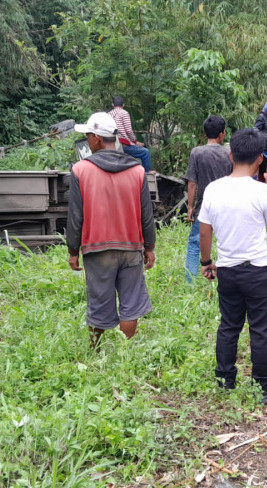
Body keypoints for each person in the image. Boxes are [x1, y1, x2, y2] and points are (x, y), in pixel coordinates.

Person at [198, 128, 267, 404]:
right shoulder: (261, 191)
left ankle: (225, 379)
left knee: (229, 325)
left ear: (230, 155)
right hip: (258, 270)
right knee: (260, 328)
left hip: (227, 269)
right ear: (260, 159)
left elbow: (205, 231)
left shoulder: (214, 189)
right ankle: (264, 386)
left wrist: (206, 262)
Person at [67, 112, 156, 349]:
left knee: (99, 303)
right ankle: (125, 353)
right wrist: (150, 247)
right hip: (131, 247)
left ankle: (94, 351)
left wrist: (73, 250)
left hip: (97, 249)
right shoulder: (137, 171)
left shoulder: (80, 170)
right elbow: (146, 215)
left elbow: (76, 216)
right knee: (131, 303)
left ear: (96, 138)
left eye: (88, 135)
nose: (87, 139)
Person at [183, 115, 233, 283]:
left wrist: (190, 206)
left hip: (204, 206)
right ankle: (225, 277)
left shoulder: (197, 152)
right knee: (225, 241)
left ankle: (190, 281)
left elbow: (192, 182)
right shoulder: (228, 153)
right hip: (226, 205)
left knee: (195, 242)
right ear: (222, 133)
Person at [109, 96, 152, 172]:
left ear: (113, 105)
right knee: (145, 152)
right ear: (123, 105)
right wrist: (135, 142)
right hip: (122, 144)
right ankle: (147, 174)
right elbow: (128, 131)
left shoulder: (108, 114)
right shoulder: (124, 113)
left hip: (111, 144)